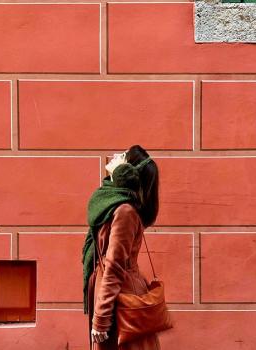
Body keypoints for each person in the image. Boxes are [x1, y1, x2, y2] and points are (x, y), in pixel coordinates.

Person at [82, 145, 161, 350]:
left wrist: (101, 317)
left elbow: (115, 266)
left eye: (123, 156)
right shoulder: (113, 204)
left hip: (121, 299)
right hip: (114, 294)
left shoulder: (125, 211)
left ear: (128, 171)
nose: (116, 156)